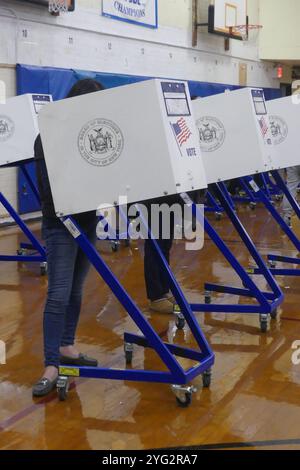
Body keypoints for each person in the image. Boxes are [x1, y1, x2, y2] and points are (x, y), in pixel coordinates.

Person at [32, 79, 105, 397]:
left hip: (88, 221)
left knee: (76, 291)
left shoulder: (88, 134)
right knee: (58, 294)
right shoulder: (46, 137)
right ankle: (50, 364)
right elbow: (49, 189)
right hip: (61, 224)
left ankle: (67, 346)